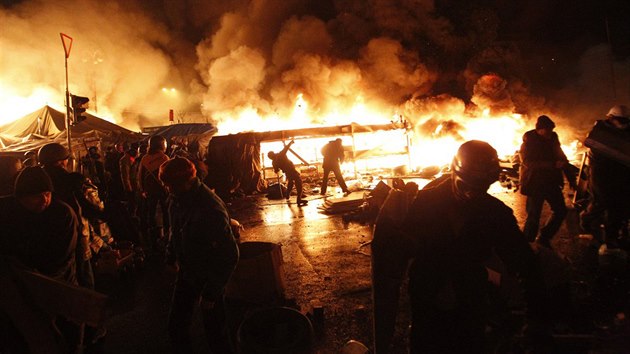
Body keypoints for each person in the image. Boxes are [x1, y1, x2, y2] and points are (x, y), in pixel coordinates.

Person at [372, 140, 548, 354]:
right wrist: (397, 241)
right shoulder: (427, 202)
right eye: (466, 185)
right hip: (427, 293)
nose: (472, 194)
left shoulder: (494, 213)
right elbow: (409, 244)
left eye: (481, 188)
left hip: (469, 296)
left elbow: (525, 264)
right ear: (454, 172)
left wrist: (536, 319)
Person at [159, 157, 239, 353]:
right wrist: (171, 257)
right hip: (187, 272)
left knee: (216, 333)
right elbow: (174, 231)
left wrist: (211, 293)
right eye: (167, 186)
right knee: (176, 327)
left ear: (187, 181)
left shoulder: (210, 209)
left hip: (209, 275)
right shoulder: (177, 199)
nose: (168, 190)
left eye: (171, 186)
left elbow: (229, 253)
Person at [519, 115, 576, 248]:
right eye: (547, 131)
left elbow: (561, 157)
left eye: (551, 130)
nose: (549, 133)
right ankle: (527, 245)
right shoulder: (529, 141)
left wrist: (571, 178)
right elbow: (527, 162)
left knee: (561, 211)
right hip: (534, 183)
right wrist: (551, 165)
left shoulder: (553, 138)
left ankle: (544, 237)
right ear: (539, 130)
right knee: (534, 217)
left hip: (551, 183)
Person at [582, 105, 630, 249]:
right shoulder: (600, 131)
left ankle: (611, 238)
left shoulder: (627, 131)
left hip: (621, 175)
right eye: (619, 120)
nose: (622, 123)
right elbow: (592, 143)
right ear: (610, 118)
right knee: (601, 202)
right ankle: (586, 219)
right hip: (601, 175)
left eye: (624, 120)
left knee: (618, 208)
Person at [137, 135, 170, 252]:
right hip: (162, 190)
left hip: (149, 190)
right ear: (161, 144)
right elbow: (168, 175)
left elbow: (140, 175)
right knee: (166, 211)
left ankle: (151, 233)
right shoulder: (164, 158)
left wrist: (142, 189)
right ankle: (167, 233)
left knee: (150, 211)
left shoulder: (145, 158)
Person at [267, 140, 307, 206]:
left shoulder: (274, 162)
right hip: (292, 171)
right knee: (299, 183)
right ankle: (299, 199)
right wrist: (291, 142)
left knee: (290, 183)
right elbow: (286, 148)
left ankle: (287, 195)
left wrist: (277, 169)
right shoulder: (280, 154)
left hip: (287, 173)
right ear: (273, 153)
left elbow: (276, 170)